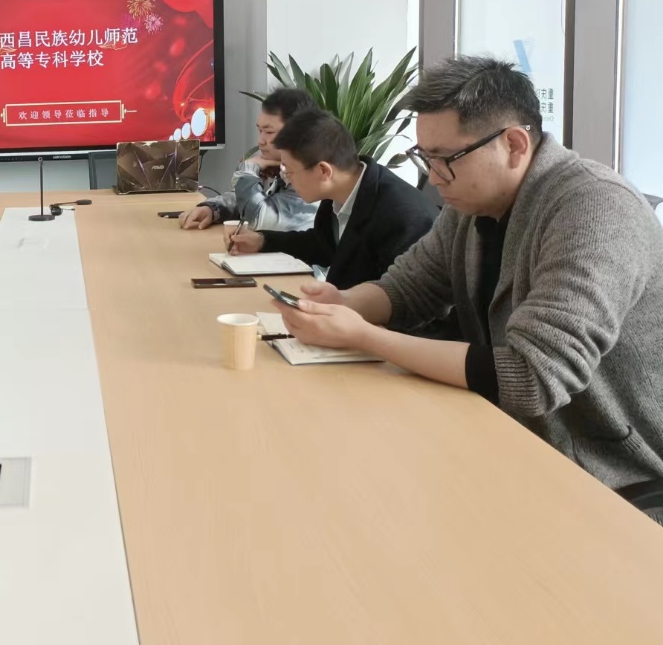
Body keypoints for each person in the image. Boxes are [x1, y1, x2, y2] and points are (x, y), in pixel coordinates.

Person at [278, 57, 663, 492]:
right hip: (509, 437)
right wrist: (344, 303)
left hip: (615, 472)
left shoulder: (595, 208)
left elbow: (531, 376)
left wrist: (365, 336)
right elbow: (409, 287)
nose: (434, 177)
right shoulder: (472, 204)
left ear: (514, 144)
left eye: (446, 158)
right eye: (425, 157)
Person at [225, 109, 437, 289]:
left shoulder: (401, 218)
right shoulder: (340, 189)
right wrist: (263, 241)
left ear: (323, 171)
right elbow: (323, 246)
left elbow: (400, 304)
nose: (286, 178)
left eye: (289, 171)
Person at [180, 88, 319, 232]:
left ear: (299, 134)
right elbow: (248, 200)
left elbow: (259, 219)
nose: (261, 141)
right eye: (260, 131)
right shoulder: (280, 170)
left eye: (269, 132)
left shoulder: (311, 177)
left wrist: (248, 169)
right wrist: (212, 209)